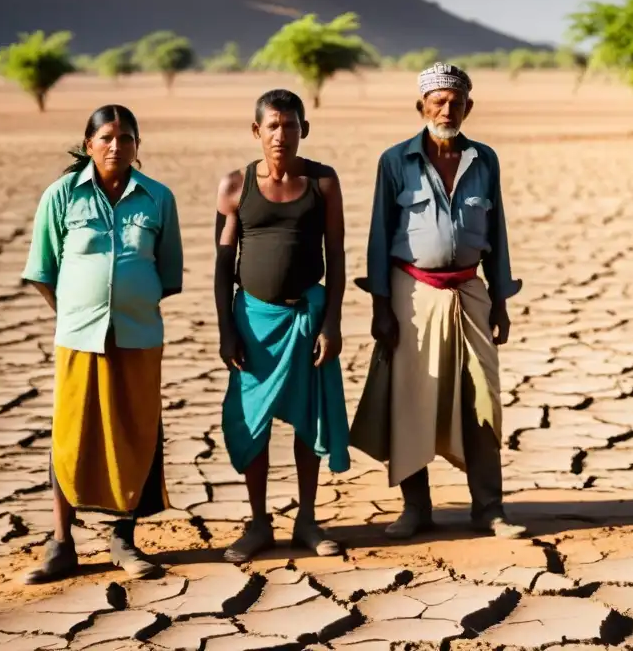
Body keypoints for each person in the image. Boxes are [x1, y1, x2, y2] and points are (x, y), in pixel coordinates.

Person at [352, 62, 527, 541]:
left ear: (469, 107)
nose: (446, 109)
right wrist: (380, 307)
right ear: (421, 105)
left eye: (456, 102)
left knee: (483, 399)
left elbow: (499, 233)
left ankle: (489, 509)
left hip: (471, 292)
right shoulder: (395, 161)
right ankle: (416, 508)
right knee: (412, 401)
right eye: (438, 100)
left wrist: (501, 300)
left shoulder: (484, 160)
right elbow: (378, 235)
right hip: (412, 293)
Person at [20, 104, 184, 584]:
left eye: (127, 137)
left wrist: (127, 302)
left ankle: (123, 539)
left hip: (137, 335)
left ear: (138, 144)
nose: (117, 146)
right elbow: (43, 271)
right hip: (78, 337)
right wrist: (75, 311)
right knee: (70, 434)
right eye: (107, 137)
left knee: (132, 433)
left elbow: (168, 273)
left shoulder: (158, 198)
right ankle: (61, 542)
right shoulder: (61, 196)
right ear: (88, 142)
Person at [215, 88, 350, 563]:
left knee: (309, 418)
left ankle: (307, 520)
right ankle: (257, 523)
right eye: (271, 125)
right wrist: (225, 329)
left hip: (306, 320)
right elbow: (222, 262)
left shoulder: (323, 182)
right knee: (253, 422)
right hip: (252, 321)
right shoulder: (235, 186)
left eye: (290, 125)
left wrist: (331, 323)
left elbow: (336, 257)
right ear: (256, 131)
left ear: (304, 130)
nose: (281, 134)